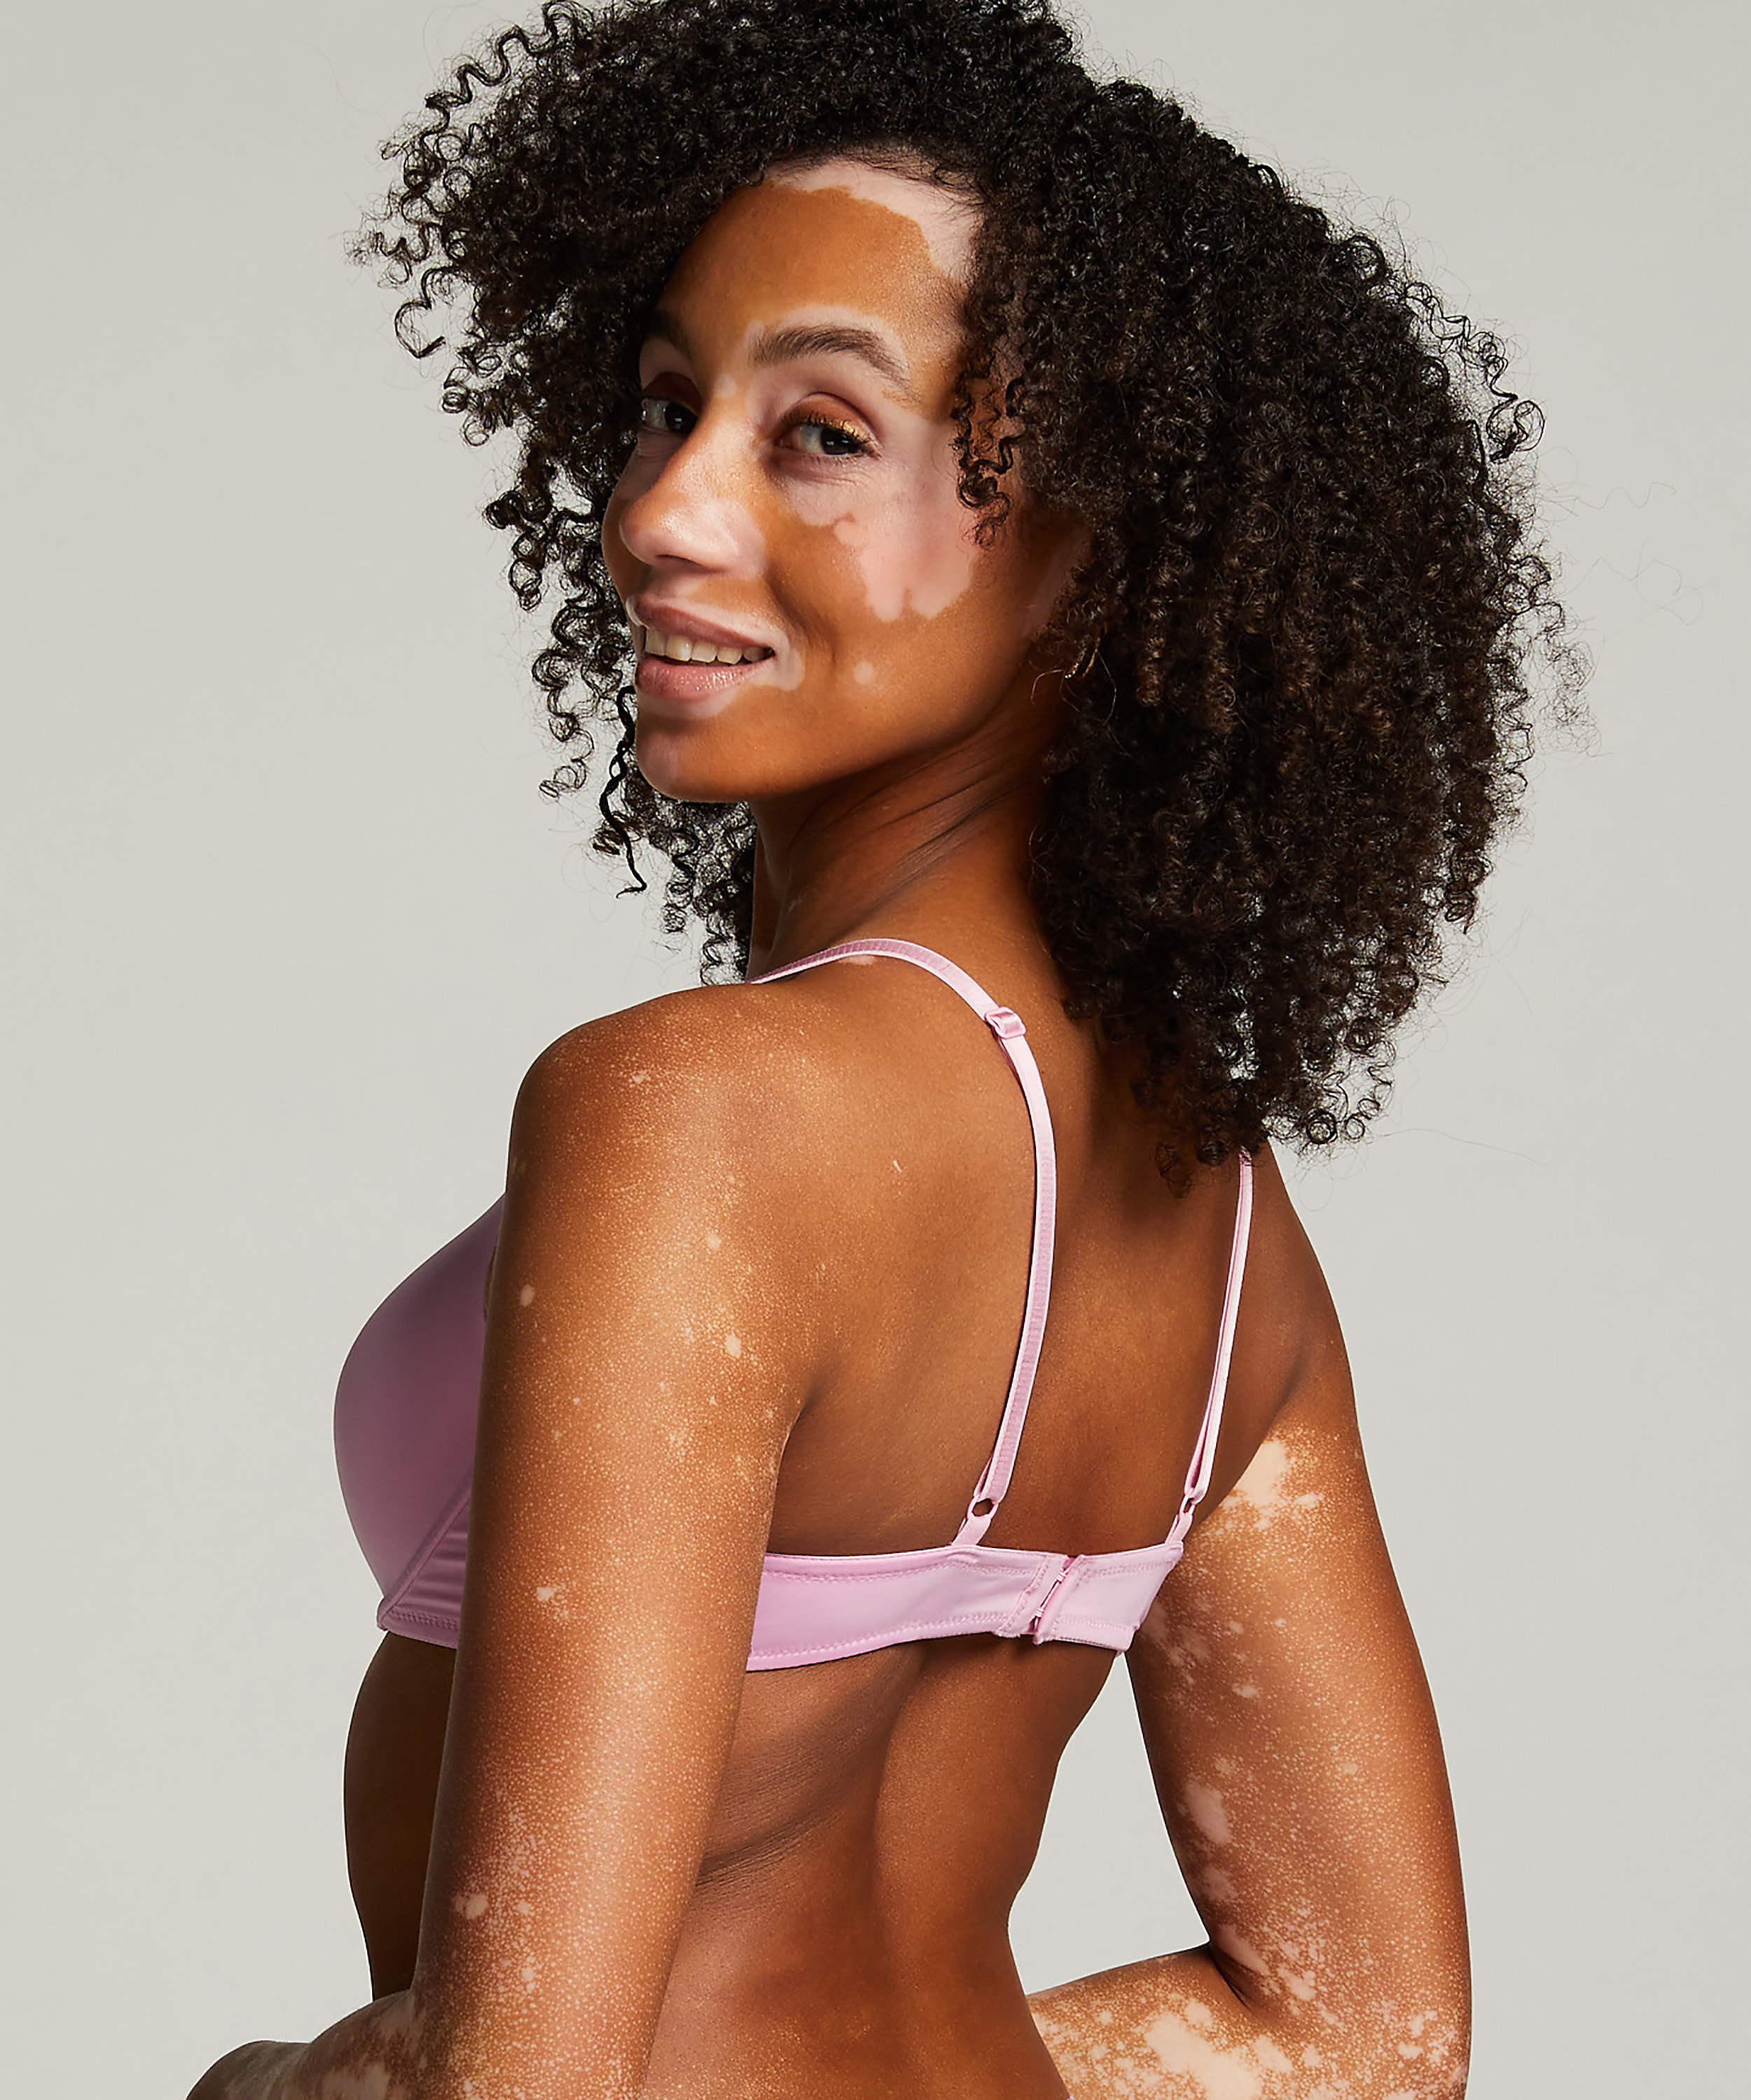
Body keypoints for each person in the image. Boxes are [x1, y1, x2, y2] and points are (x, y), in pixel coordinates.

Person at [190, 1, 1576, 2093]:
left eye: (819, 435)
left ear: (1101, 546)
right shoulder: (1216, 1227)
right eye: (667, 407)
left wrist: (271, 2090)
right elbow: (1359, 2037)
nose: (660, 514)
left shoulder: (687, 1122)